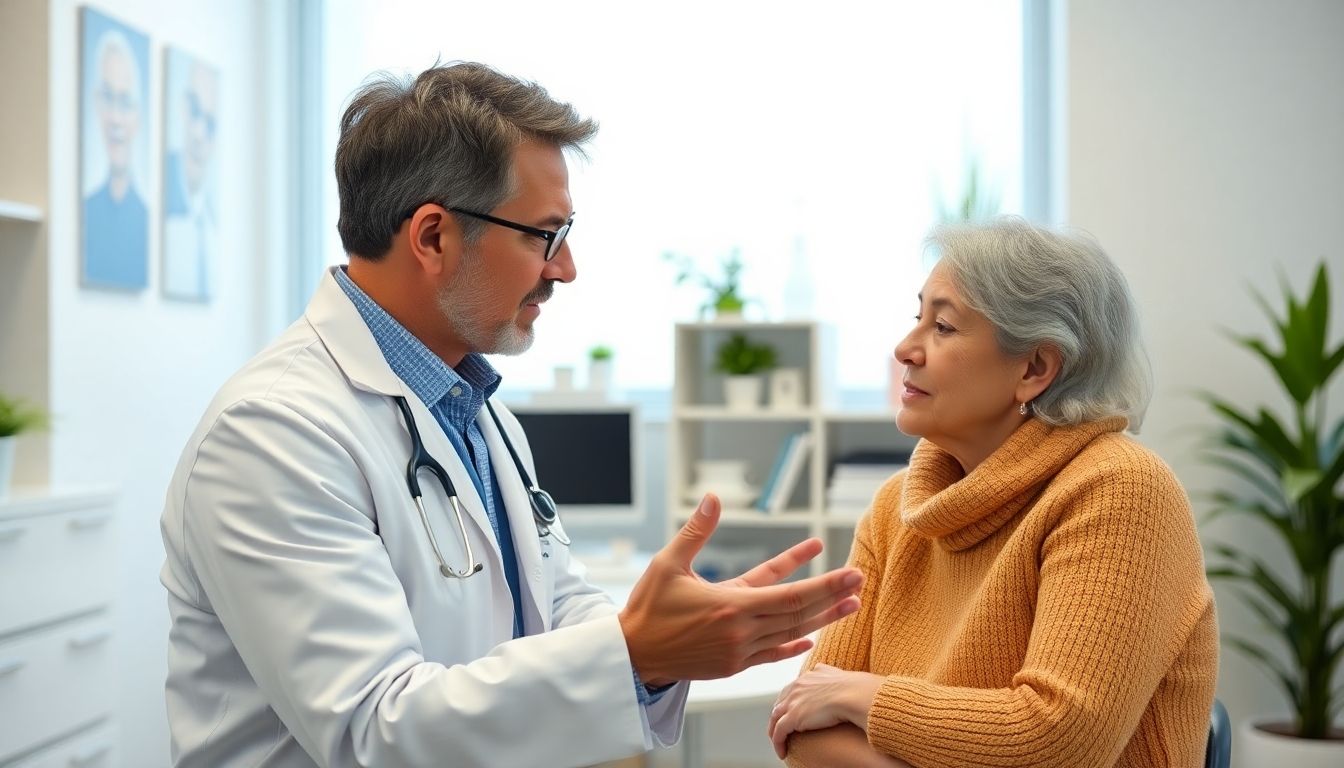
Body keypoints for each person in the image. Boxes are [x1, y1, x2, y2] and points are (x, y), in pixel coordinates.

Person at [159, 62, 863, 768]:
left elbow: (552, 608)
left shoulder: (475, 411)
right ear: (433, 237)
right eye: (544, 235)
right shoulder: (272, 434)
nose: (565, 269)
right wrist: (634, 651)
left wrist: (669, 636)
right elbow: (373, 730)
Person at [768, 217, 1218, 767]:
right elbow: (801, 725)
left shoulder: (1121, 490)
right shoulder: (895, 507)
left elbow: (1055, 739)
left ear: (1034, 367)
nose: (905, 348)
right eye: (918, 318)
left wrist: (862, 696)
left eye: (944, 327)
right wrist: (840, 701)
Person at [83, 28, 148, 289]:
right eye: (108, 98)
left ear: (138, 117)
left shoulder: (146, 219)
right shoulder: (86, 213)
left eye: (126, 102)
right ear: (97, 105)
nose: (116, 119)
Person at [163, 56, 219, 300]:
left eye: (209, 122)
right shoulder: (162, 196)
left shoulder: (212, 213)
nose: (199, 133)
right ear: (182, 109)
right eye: (194, 112)